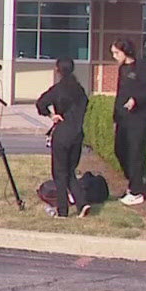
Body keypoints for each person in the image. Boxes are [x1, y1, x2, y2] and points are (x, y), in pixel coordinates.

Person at [36, 56, 90, 218]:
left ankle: (63, 210)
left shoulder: (58, 89)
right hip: (77, 133)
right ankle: (81, 204)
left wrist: (52, 115)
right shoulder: (79, 90)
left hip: (62, 134)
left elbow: (40, 103)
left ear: (58, 70)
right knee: (70, 171)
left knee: (59, 173)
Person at [111, 39, 146, 205]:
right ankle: (135, 180)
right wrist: (115, 115)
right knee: (120, 150)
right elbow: (120, 92)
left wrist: (136, 100)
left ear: (125, 51)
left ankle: (137, 191)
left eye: (116, 53)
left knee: (135, 153)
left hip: (137, 117)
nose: (114, 57)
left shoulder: (141, 66)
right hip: (123, 117)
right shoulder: (122, 69)